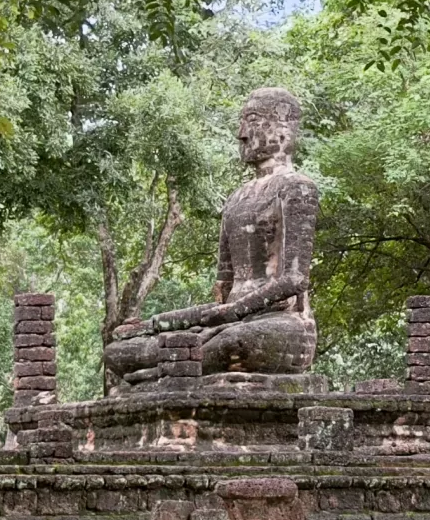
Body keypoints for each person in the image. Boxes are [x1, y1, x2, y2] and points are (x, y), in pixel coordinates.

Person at [103, 87, 320, 389]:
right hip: (227, 320)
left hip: (282, 326)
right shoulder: (236, 199)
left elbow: (294, 281)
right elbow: (223, 292)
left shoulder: (297, 188)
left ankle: (168, 370)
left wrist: (231, 313)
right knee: (119, 351)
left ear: (284, 127)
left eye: (252, 120)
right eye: (242, 122)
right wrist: (155, 323)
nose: (241, 134)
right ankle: (176, 364)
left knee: (235, 342)